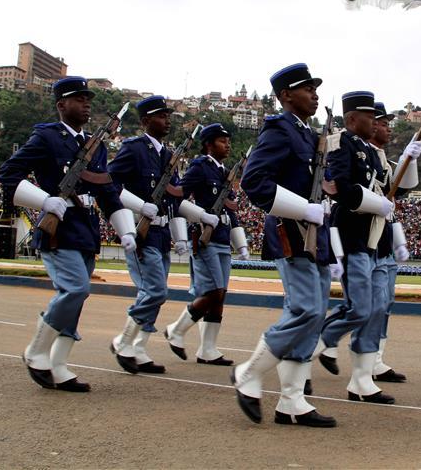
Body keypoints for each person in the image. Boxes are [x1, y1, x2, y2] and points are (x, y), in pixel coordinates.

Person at [0, 76, 137, 392]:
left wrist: (125, 229)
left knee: (77, 298)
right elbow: (8, 174)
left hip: (85, 231)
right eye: (79, 98)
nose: (86, 103)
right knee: (74, 290)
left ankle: (58, 364)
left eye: (88, 98)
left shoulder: (95, 146)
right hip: (58, 229)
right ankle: (36, 350)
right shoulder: (47, 138)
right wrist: (44, 200)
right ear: (61, 105)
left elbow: (108, 192)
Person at [233, 63, 336, 428]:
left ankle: (292, 401)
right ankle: (249, 371)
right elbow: (255, 182)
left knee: (312, 314)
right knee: (306, 309)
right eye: (307, 88)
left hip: (315, 236)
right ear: (286, 95)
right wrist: (304, 208)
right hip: (291, 234)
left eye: (315, 87)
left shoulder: (308, 135)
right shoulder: (280, 130)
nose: (315, 93)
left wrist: (321, 209)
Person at [313, 91, 397, 404]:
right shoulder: (340, 143)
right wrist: (378, 203)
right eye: (369, 117)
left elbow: (392, 190)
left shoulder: (373, 154)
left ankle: (361, 381)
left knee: (375, 309)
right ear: (352, 119)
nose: (375, 122)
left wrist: (409, 162)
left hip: (372, 238)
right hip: (351, 236)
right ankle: (326, 335)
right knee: (361, 307)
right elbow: (343, 190)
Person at [106, 95, 182, 375]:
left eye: (168, 115)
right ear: (146, 121)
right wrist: (139, 206)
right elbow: (109, 183)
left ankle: (139, 348)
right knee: (155, 291)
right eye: (161, 116)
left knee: (155, 295)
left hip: (161, 233)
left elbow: (174, 195)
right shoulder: (134, 149)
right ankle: (123, 341)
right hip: (141, 231)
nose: (167, 120)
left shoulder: (167, 155)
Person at [164, 123, 248, 366]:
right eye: (223, 141)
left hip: (222, 239)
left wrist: (239, 242)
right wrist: (201, 216)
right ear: (209, 144)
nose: (228, 144)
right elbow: (177, 197)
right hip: (205, 238)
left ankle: (208, 349)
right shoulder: (200, 166)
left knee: (220, 295)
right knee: (213, 293)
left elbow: (231, 209)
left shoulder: (224, 172)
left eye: (228, 140)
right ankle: (176, 330)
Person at [367, 101, 421, 383]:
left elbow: (396, 197)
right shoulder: (362, 156)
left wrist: (407, 160)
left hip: (385, 240)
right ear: (371, 123)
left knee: (384, 304)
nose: (388, 128)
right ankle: (326, 345)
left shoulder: (382, 160)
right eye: (384, 122)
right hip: (366, 240)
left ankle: (375, 360)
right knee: (367, 306)